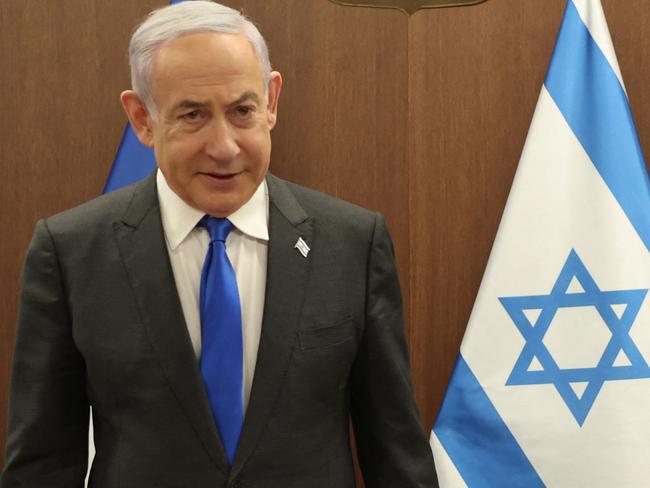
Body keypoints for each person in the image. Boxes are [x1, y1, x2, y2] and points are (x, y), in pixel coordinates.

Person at [0, 2, 437, 487]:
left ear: (271, 101)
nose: (225, 147)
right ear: (142, 118)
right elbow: (42, 465)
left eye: (242, 111)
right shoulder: (70, 253)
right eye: (192, 115)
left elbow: (396, 455)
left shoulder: (352, 244)